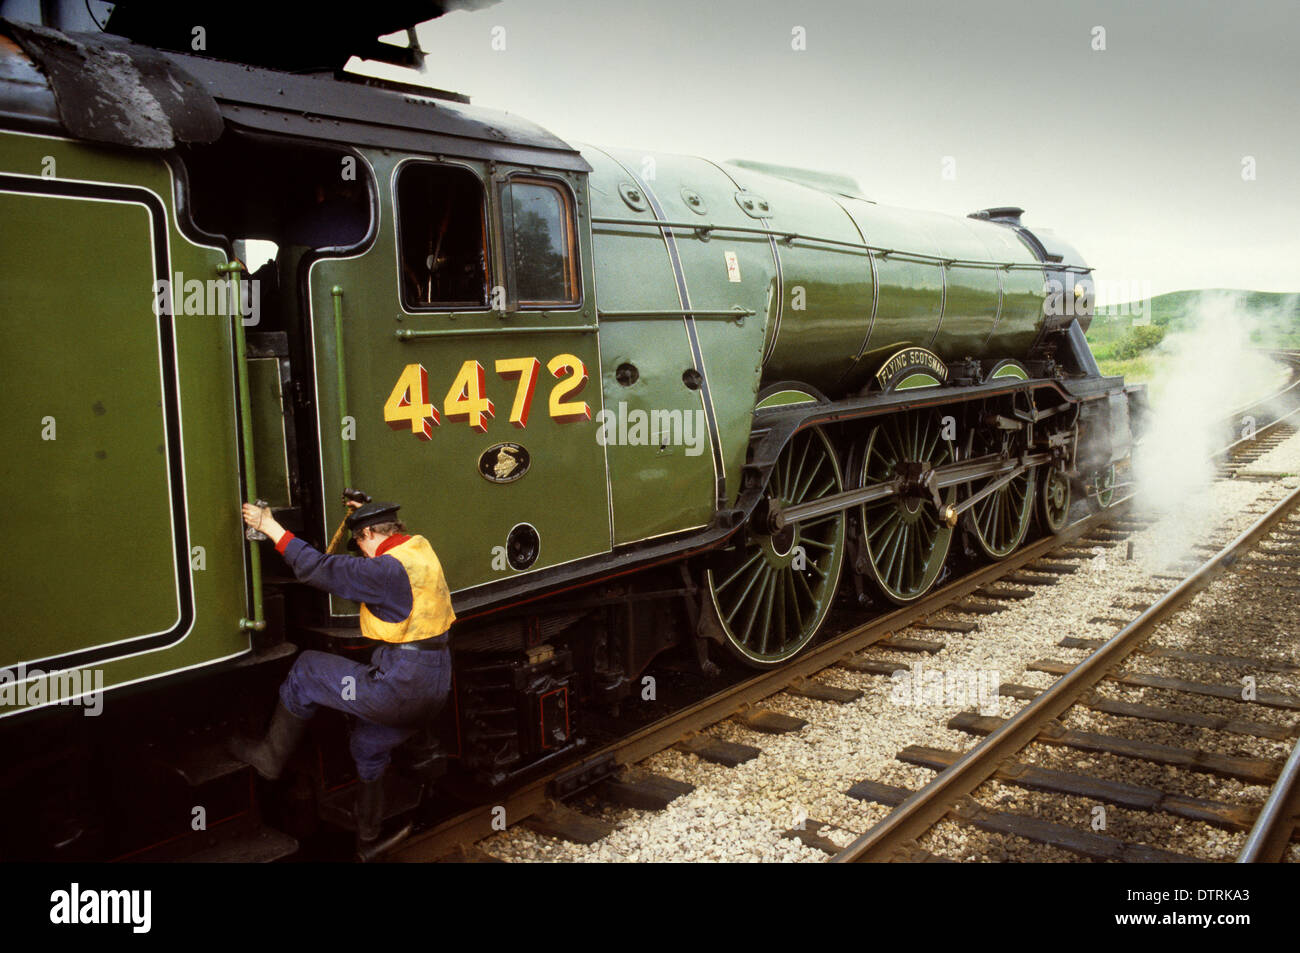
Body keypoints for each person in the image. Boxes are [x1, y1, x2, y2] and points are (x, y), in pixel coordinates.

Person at [232, 496, 455, 861]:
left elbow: (318, 568)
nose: (363, 553)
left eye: (361, 543)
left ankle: (269, 757)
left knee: (306, 669)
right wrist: (364, 508)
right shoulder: (420, 550)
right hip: (435, 685)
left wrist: (268, 525)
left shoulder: (383, 570)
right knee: (368, 745)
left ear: (368, 533)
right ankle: (369, 838)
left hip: (400, 686)